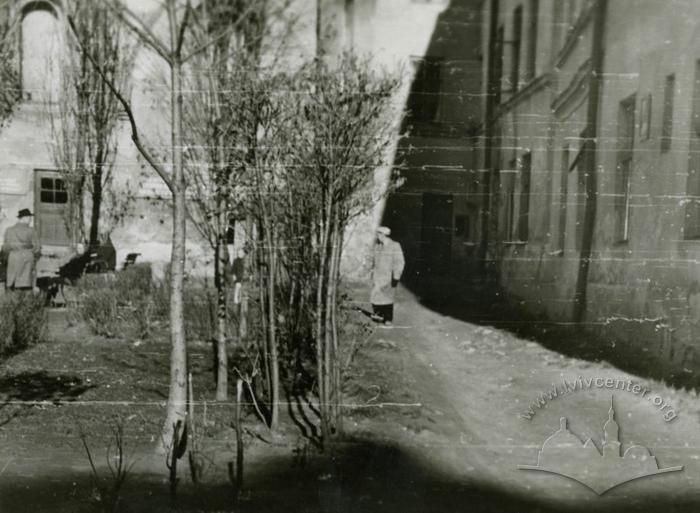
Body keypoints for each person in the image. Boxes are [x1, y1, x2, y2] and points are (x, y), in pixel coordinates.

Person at [370, 226, 405, 326]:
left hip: (389, 277)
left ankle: (388, 319)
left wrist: (396, 276)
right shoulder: (378, 246)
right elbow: (374, 261)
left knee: (387, 298)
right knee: (376, 296)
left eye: (379, 234)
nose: (377, 236)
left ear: (383, 235)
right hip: (378, 276)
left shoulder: (395, 246)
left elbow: (400, 261)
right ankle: (379, 315)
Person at [2, 208, 41, 291]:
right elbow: (37, 247)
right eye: (29, 219)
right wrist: (34, 255)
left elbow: (5, 247)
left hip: (13, 258)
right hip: (27, 258)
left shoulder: (9, 230)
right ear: (24, 218)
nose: (30, 221)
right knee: (26, 285)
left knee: (12, 284)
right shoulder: (31, 231)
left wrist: (7, 257)